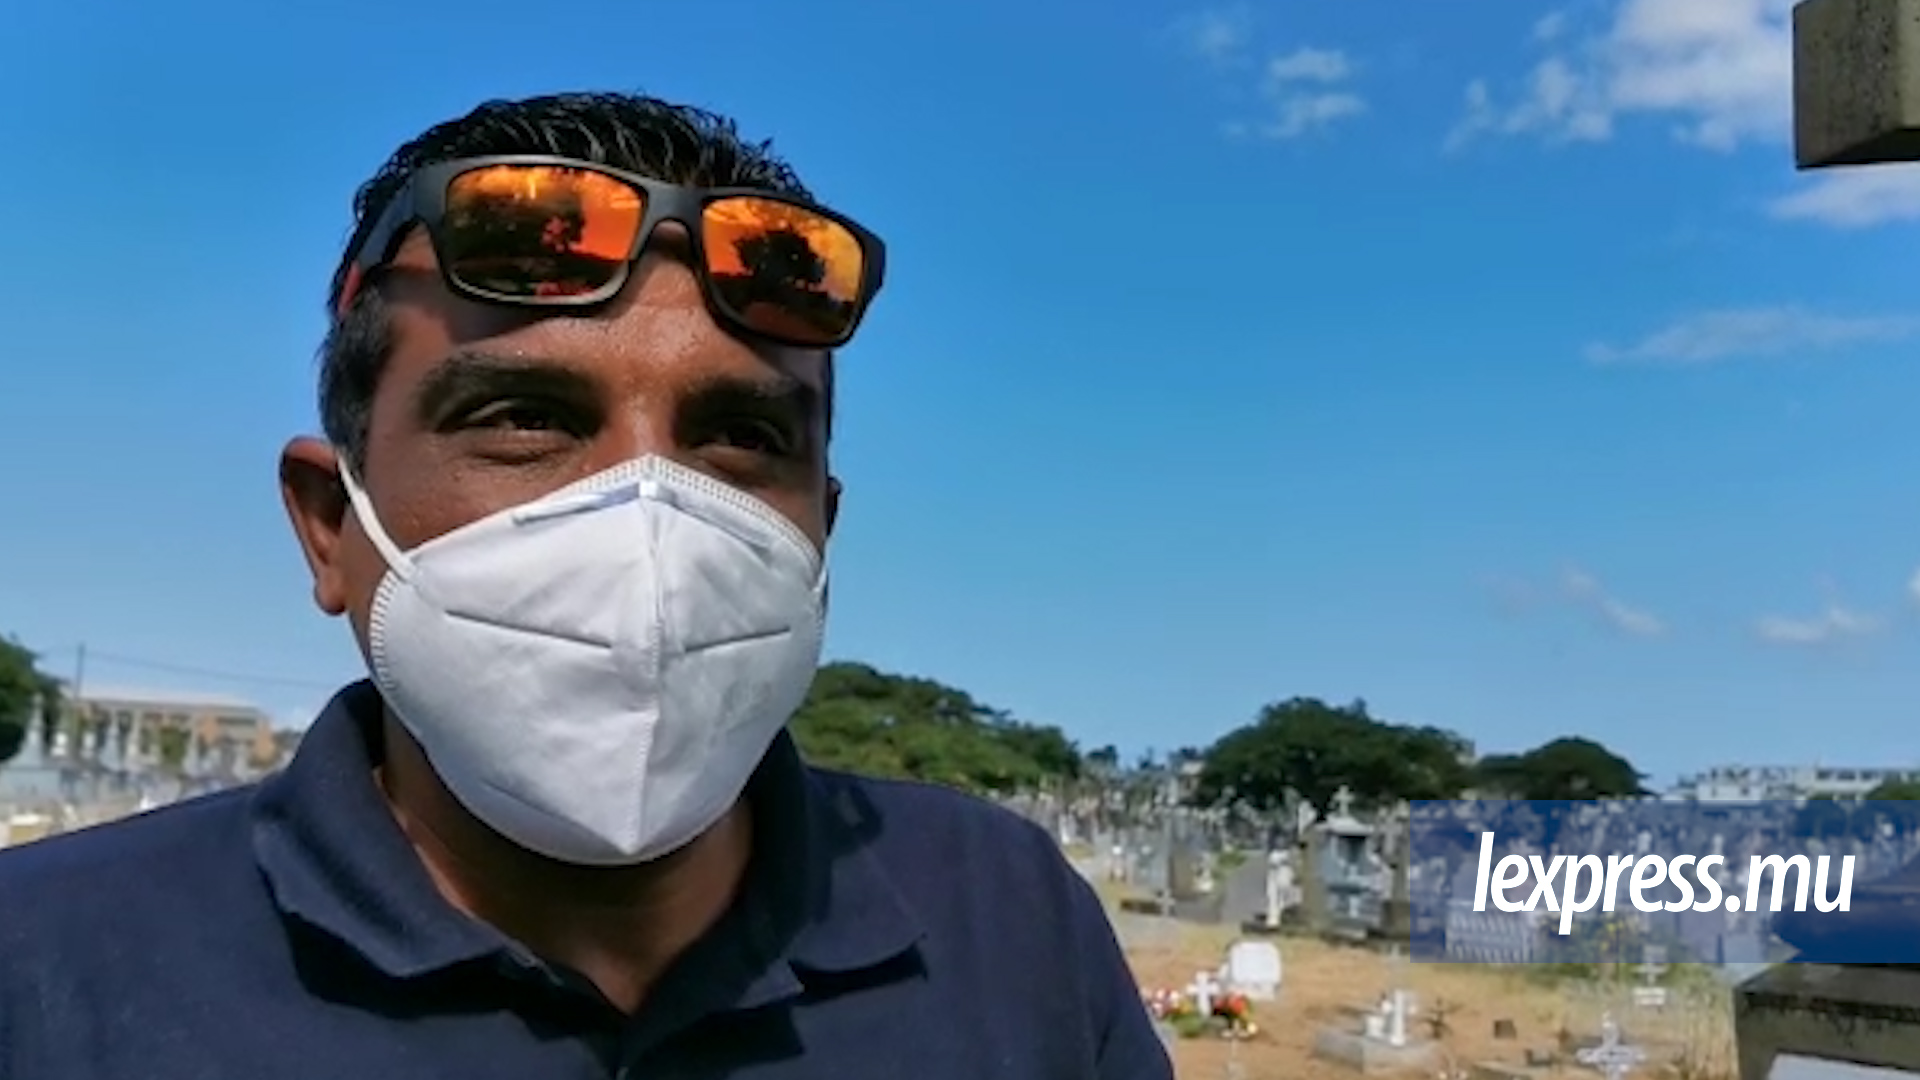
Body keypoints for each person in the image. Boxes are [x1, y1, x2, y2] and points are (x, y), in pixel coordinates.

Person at [0, 92, 1172, 1079]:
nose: (648, 521)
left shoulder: (1005, 922)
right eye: (524, 418)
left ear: (823, 528)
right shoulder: (47, 970)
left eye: (743, 437)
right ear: (329, 527)